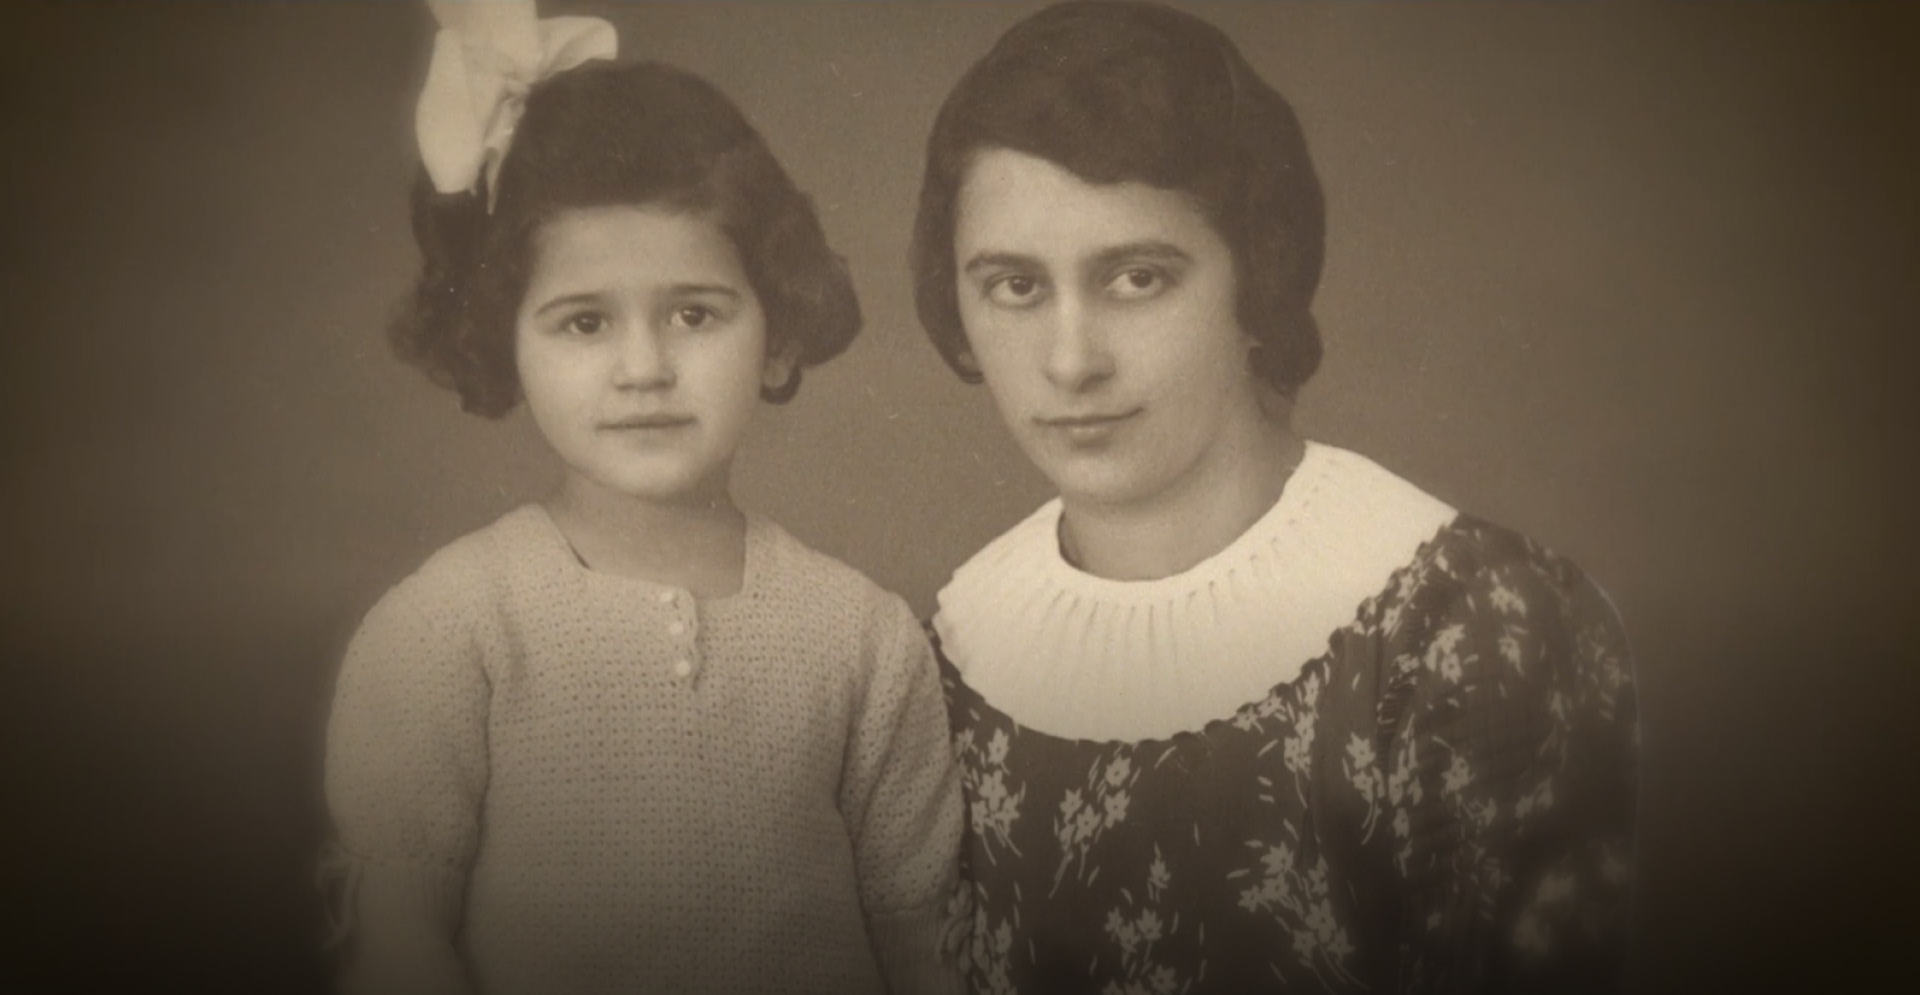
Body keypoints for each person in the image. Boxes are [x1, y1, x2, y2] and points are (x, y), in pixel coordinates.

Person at [910, 2, 1638, 992]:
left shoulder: (1472, 624)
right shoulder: (935, 660)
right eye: (1014, 287)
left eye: (1136, 277)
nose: (1069, 360)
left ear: (1259, 277)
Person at [320, 4, 963, 993]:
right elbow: (401, 948)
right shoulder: (449, 630)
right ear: (503, 341)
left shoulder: (864, 638)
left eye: (694, 313)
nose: (643, 367)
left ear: (779, 327)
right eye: (582, 323)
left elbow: (925, 955)